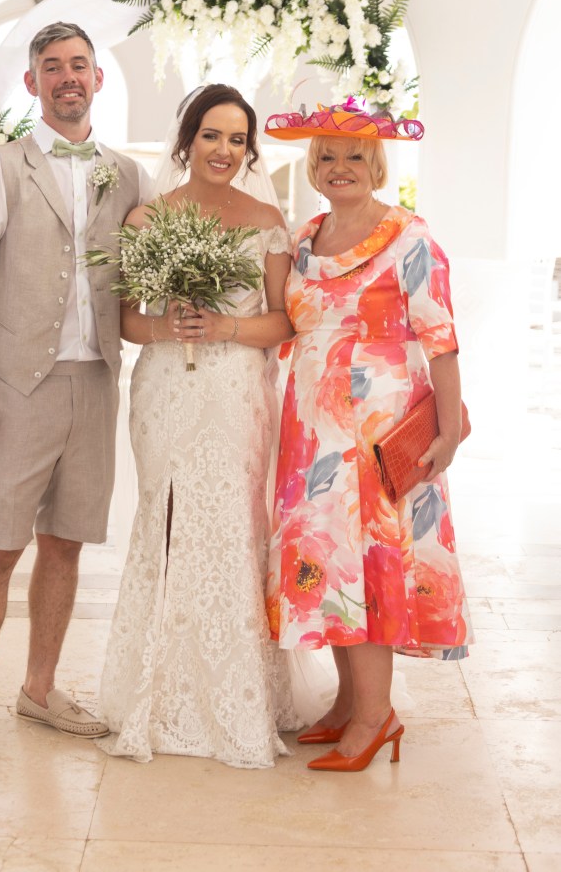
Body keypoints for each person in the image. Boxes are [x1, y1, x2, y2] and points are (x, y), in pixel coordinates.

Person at [0, 21, 152, 774]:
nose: (68, 77)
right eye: (52, 66)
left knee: (65, 543)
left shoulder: (128, 175)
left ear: (99, 80)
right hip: (13, 382)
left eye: (80, 66)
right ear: (31, 83)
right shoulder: (0, 167)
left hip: (94, 379)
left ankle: (39, 687)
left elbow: (145, 270)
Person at [263, 101, 473, 772]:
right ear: (313, 167)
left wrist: (449, 427)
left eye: (354, 156)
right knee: (324, 561)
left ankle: (375, 716)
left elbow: (441, 341)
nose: (340, 167)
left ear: (377, 164)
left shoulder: (410, 236)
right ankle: (349, 700)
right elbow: (288, 324)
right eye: (326, 156)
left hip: (380, 429)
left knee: (371, 564)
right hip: (312, 430)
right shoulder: (303, 237)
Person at [96, 84, 301, 768]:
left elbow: (284, 319)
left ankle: (237, 691)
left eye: (237, 139)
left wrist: (224, 326)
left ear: (249, 149)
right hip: (164, 387)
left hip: (238, 388)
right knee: (168, 517)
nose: (224, 150)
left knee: (231, 525)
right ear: (185, 141)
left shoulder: (267, 218)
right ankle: (156, 687)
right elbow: (127, 318)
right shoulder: (148, 219)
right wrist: (170, 324)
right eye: (211, 135)